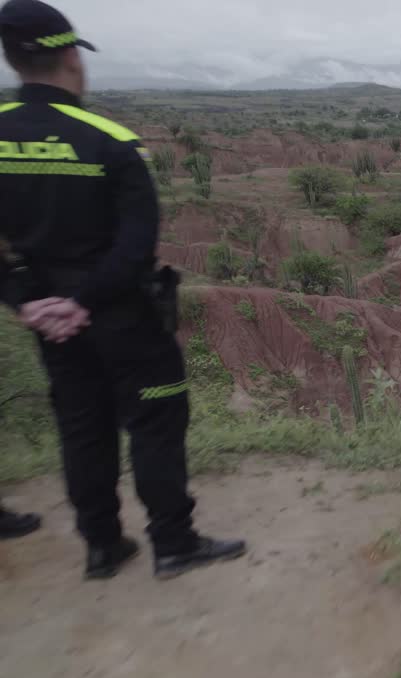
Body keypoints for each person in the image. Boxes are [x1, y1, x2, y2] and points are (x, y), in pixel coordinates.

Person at [0, 0, 245, 580]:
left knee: (83, 427)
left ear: (13, 61)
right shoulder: (108, 139)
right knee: (156, 424)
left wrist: (28, 302)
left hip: (50, 322)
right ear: (67, 57)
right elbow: (136, 245)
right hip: (123, 315)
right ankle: (173, 544)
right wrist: (82, 300)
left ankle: (103, 546)